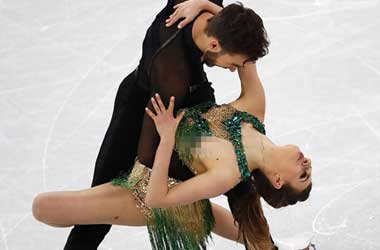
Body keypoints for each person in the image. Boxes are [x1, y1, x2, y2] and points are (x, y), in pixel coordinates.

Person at [50, 0, 271, 249]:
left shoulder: (197, 7)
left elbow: (227, 17)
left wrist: (204, 3)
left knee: (239, 178)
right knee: (97, 211)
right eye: (235, 63)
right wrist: (194, 181)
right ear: (213, 44)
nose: (233, 70)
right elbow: (147, 153)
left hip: (192, 93)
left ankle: (266, 247)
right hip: (144, 110)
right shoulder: (172, 72)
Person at [32, 63, 312, 250]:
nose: (307, 164)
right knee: (206, 213)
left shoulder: (228, 172)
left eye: (302, 175)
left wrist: (166, 139)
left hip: (144, 195)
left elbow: (157, 198)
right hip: (152, 155)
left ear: (276, 180)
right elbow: (245, 43)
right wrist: (204, 5)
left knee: (43, 207)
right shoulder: (254, 107)